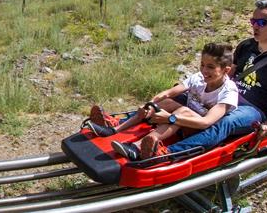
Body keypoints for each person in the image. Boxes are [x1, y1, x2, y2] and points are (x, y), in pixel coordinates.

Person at [162, 0, 267, 154]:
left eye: (261, 22)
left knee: (227, 121)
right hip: (229, 96)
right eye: (253, 21)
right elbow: (227, 75)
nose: (255, 26)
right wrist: (203, 90)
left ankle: (169, 152)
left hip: (254, 108)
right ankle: (136, 124)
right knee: (179, 97)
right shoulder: (246, 46)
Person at [87, 42, 239, 161]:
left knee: (183, 110)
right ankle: (115, 128)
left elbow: (206, 122)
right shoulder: (199, 77)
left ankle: (136, 148)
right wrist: (150, 103)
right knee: (167, 102)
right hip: (184, 120)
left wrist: (170, 118)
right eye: (202, 65)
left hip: (200, 131)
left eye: (210, 67)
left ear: (225, 70)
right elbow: (168, 93)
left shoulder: (228, 92)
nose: (204, 70)